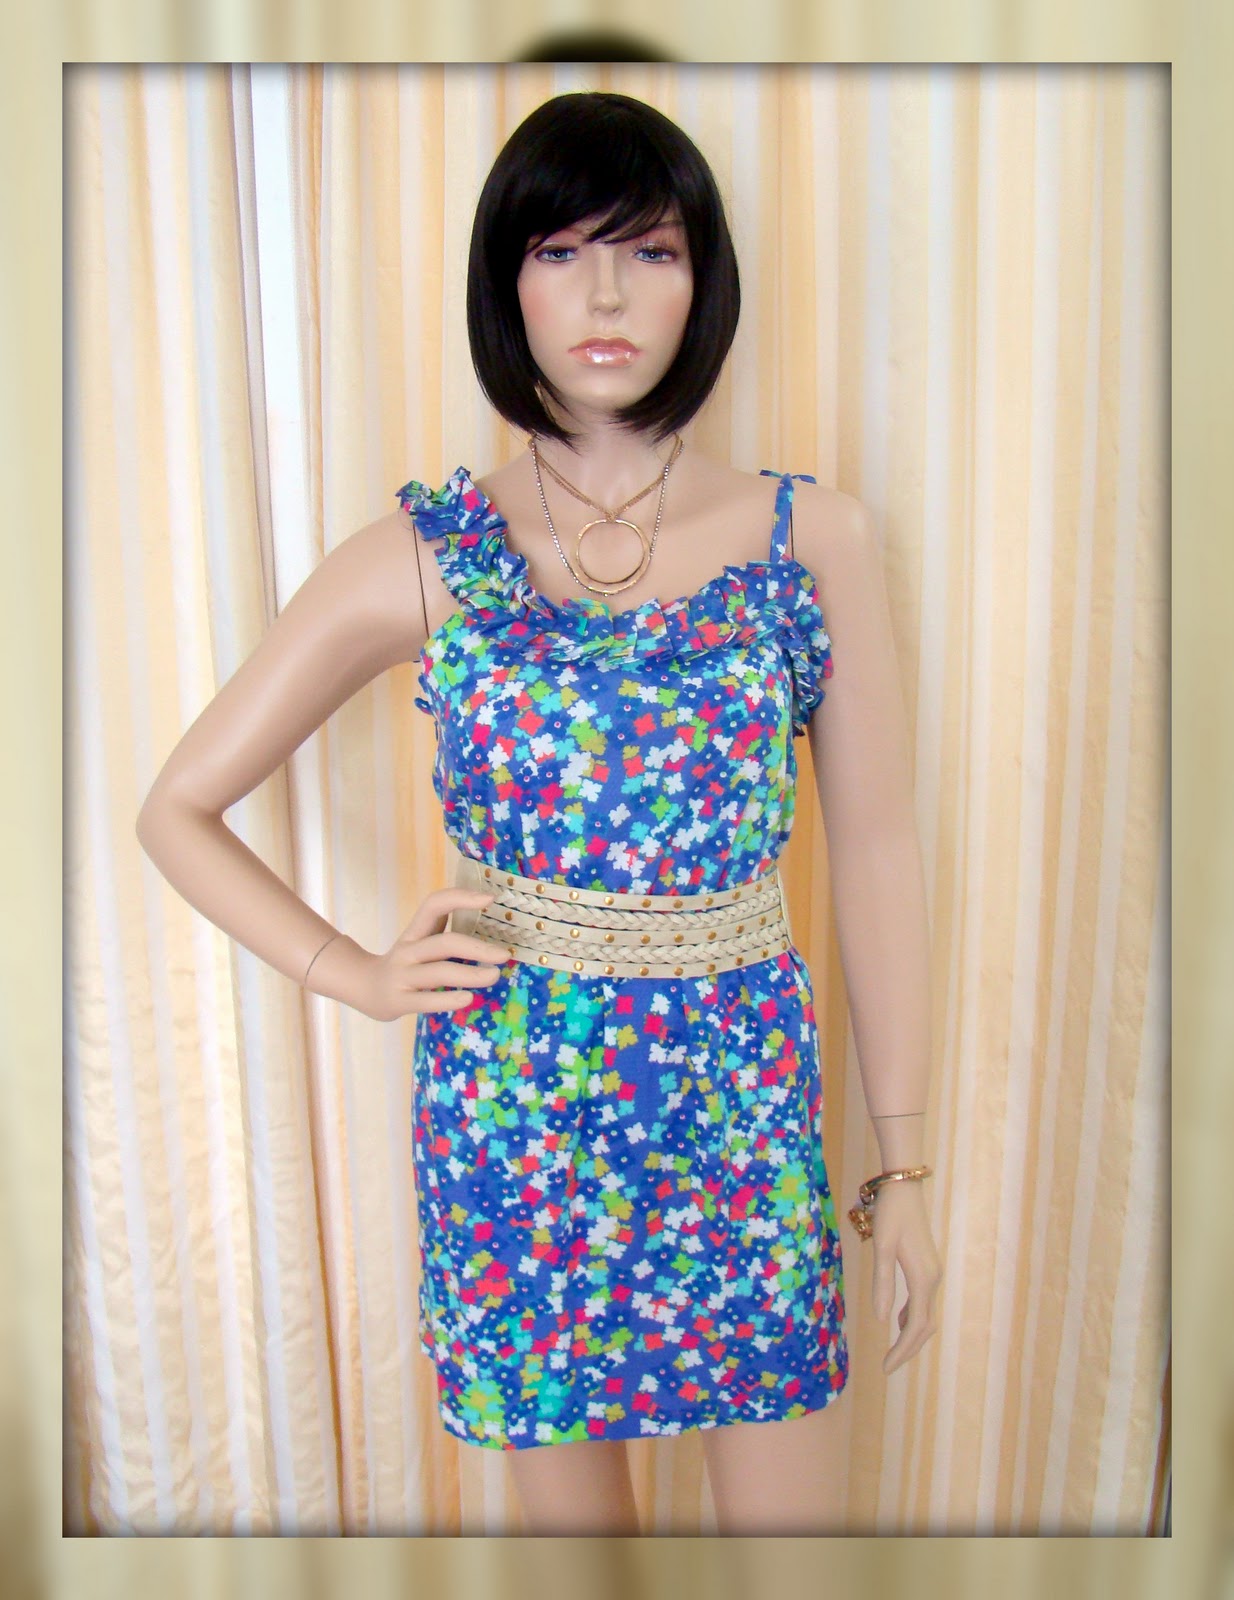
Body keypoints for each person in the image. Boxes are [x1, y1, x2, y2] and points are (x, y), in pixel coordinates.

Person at [136, 90, 942, 1536]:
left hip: (739, 1107)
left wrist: (904, 1163)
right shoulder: (426, 557)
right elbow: (178, 806)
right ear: (504, 283)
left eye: (651, 250)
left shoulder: (809, 540)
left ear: (704, 281)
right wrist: (353, 973)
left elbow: (877, 844)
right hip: (515, 1114)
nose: (607, 295)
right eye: (560, 251)